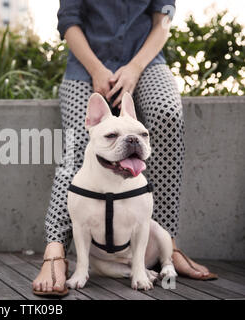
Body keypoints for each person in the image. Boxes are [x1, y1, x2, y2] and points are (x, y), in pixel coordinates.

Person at [33, 0, 216, 295]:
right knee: (78, 142)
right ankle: (55, 250)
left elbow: (164, 21)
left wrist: (134, 68)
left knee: (167, 116)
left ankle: (168, 243)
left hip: (146, 60)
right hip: (85, 65)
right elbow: (69, 21)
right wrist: (96, 69)